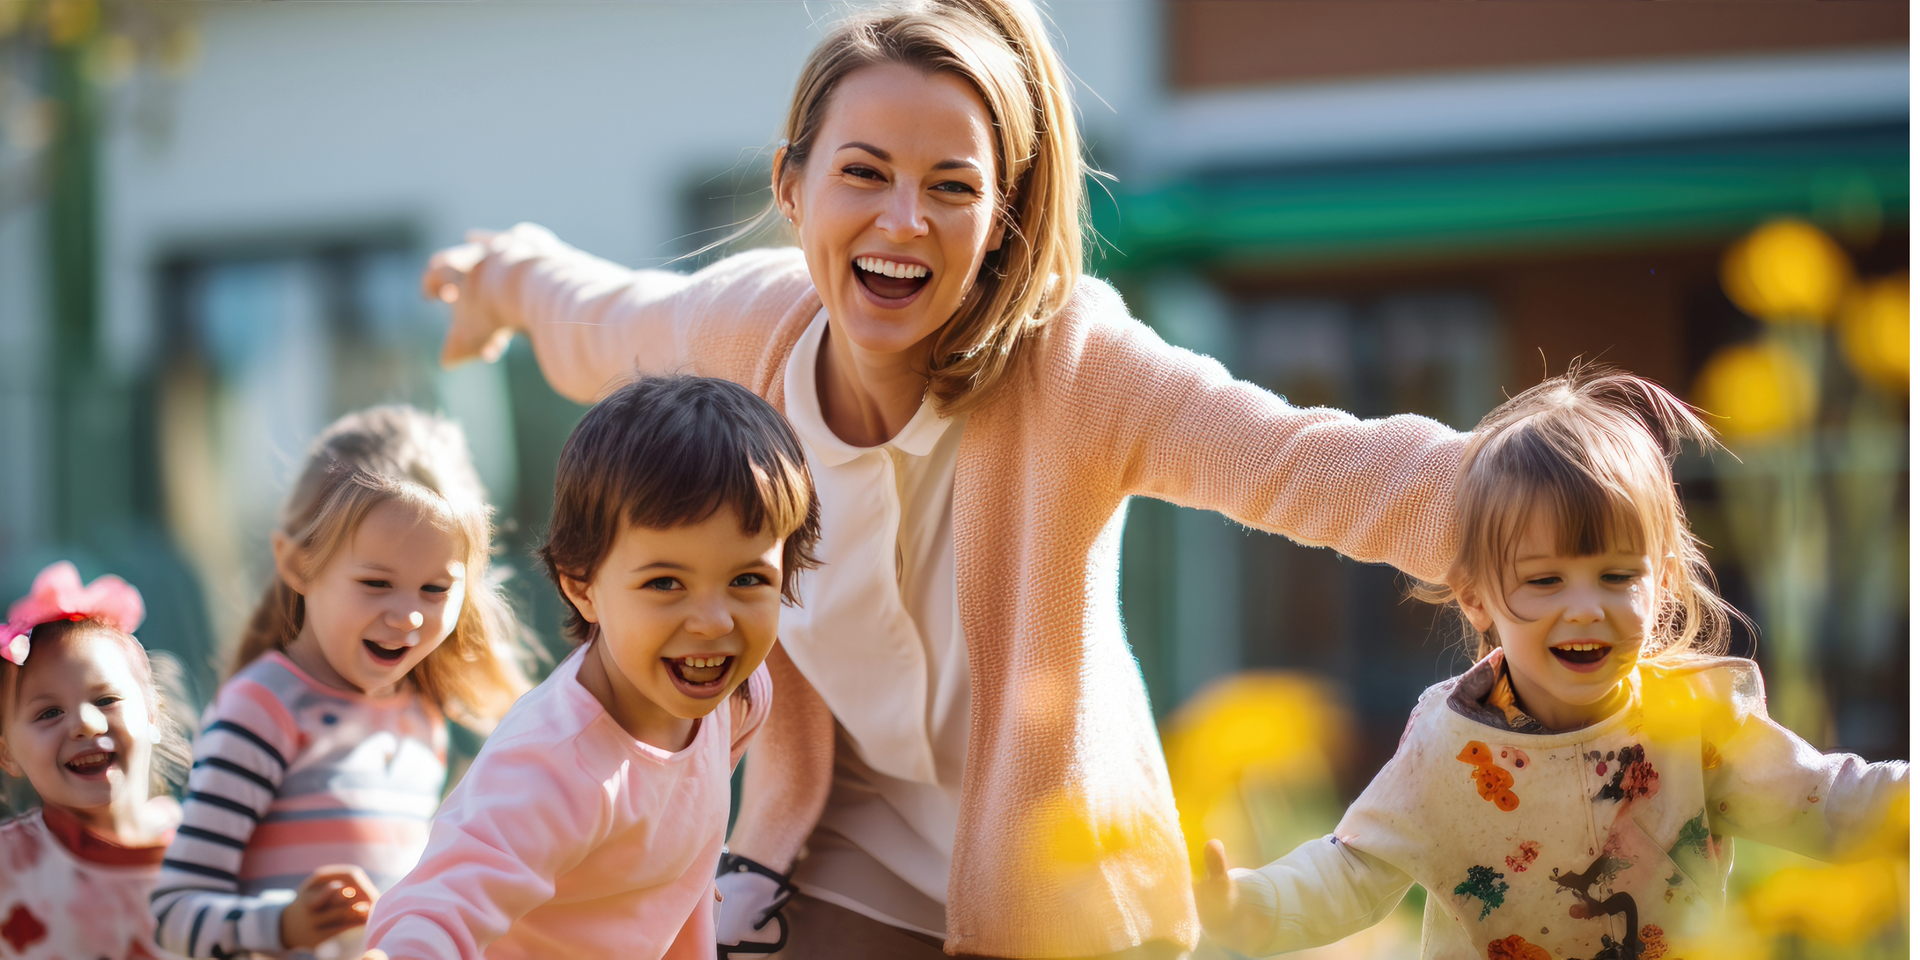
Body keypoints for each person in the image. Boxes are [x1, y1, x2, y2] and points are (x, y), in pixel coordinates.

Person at [422, 0, 1465, 954]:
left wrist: (1550, 509)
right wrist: (498, 278)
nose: (904, 221)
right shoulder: (747, 330)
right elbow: (602, 317)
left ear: (1001, 221)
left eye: (953, 188)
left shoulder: (1076, 369)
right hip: (841, 846)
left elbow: (1308, 462)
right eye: (863, 173)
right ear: (792, 187)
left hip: (1058, 889)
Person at [1194, 370, 1911, 960]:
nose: (1584, 609)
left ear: (1660, 583)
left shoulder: (1696, 725)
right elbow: (1355, 869)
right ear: (1476, 597)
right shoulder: (1450, 749)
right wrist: (1250, 906)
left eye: (1616, 576)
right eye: (1544, 581)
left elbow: (1830, 800)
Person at [365, 375, 818, 958]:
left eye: (747, 579)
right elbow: (436, 908)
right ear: (582, 587)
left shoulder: (738, 699)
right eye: (664, 583)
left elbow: (680, 847)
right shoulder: (552, 768)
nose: (713, 622)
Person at [152, 406, 531, 958]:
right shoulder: (262, 709)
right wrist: (284, 924)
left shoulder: (423, 717)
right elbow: (175, 912)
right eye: (377, 583)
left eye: (435, 589)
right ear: (298, 563)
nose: (408, 617)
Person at [0, 561, 191, 960]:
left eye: (106, 700)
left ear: (152, 714)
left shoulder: (207, 854)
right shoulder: (9, 867)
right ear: (7, 753)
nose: (86, 723)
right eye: (49, 713)